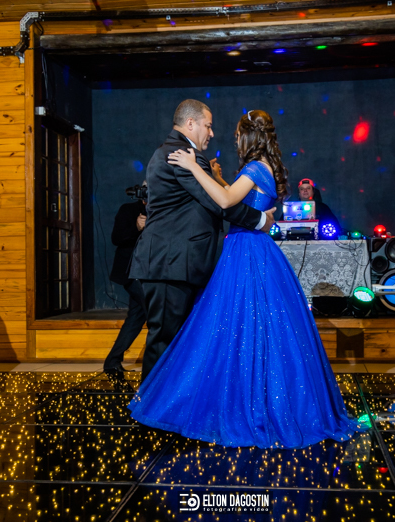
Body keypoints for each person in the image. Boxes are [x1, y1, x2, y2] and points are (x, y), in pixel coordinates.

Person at [129, 110, 361, 449]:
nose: (231, 138)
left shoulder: (254, 167)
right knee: (249, 328)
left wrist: (196, 167)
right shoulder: (263, 167)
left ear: (249, 136)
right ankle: (250, 397)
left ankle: (235, 402)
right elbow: (239, 198)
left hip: (246, 251)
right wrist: (222, 181)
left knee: (239, 327)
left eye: (238, 134)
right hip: (250, 248)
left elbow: (225, 202)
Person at [129, 99, 275, 382]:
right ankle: (152, 404)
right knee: (165, 342)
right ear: (190, 123)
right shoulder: (182, 155)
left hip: (173, 263)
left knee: (173, 342)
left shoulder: (173, 152)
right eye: (208, 126)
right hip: (171, 264)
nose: (211, 133)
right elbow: (220, 203)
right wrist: (260, 220)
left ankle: (166, 402)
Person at [103, 188, 148, 382]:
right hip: (131, 272)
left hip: (150, 272)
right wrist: (137, 227)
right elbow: (117, 238)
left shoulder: (162, 210)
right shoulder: (129, 210)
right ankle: (158, 364)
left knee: (136, 317)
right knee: (156, 314)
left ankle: (112, 361)